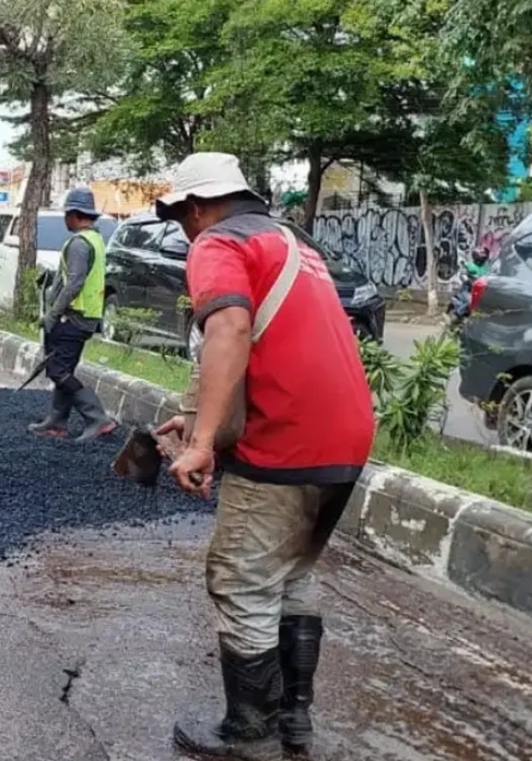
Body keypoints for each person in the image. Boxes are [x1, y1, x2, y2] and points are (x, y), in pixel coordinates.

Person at [153, 153, 374, 760]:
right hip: (346, 437)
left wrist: (200, 446)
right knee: (293, 574)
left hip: (286, 440)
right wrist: (201, 420)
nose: (184, 232)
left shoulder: (218, 243)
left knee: (241, 580)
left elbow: (230, 331)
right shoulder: (293, 244)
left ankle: (252, 733)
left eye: (181, 218)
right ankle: (294, 723)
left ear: (197, 207)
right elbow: (279, 348)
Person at [27, 188, 118, 442]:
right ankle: (56, 422)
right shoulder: (95, 239)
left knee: (57, 369)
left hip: (74, 316)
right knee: (63, 368)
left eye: (67, 214)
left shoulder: (79, 244)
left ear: (75, 215)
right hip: (86, 316)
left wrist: (53, 314)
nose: (65, 219)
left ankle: (97, 418)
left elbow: (74, 283)